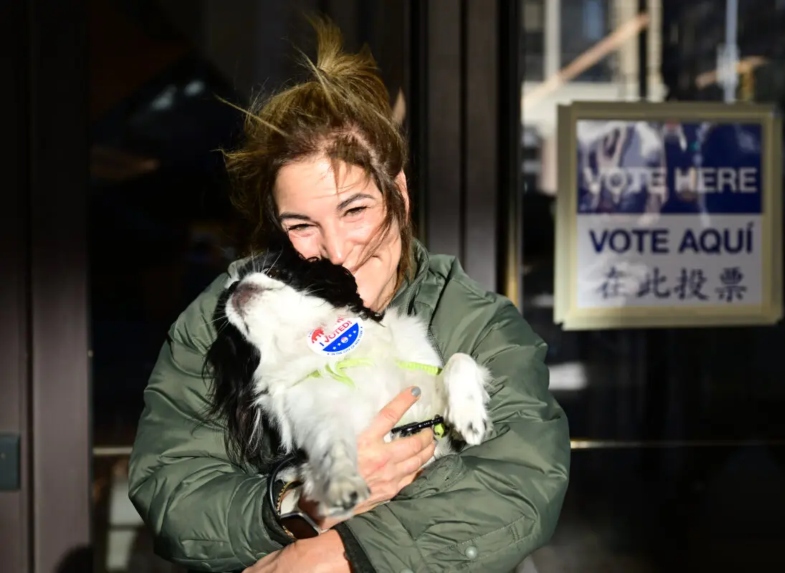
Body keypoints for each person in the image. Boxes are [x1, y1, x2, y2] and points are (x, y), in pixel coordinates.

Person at [127, 18, 570, 573]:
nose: (336, 249)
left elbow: (519, 485)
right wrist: (296, 505)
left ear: (398, 195)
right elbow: (172, 484)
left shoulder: (473, 323)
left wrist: (330, 557)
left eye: (354, 209)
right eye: (301, 224)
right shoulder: (226, 320)